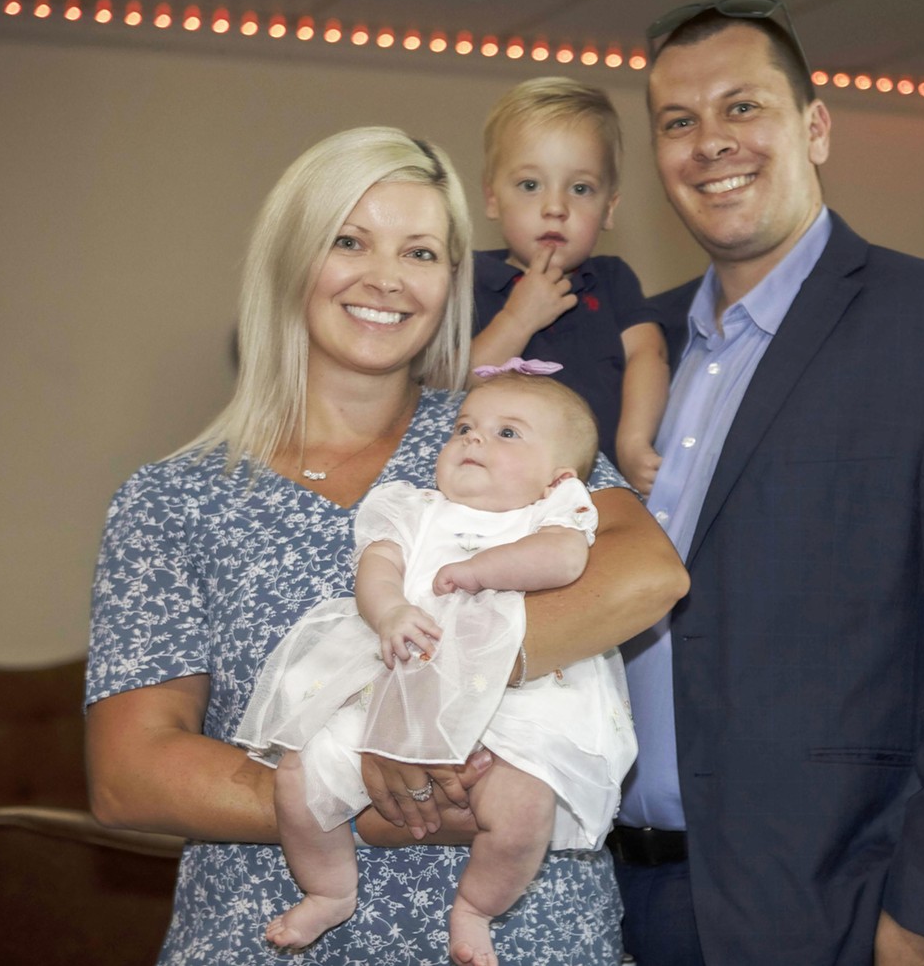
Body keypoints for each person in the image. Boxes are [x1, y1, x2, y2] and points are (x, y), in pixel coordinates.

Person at [84, 125, 687, 965]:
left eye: (421, 252)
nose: (386, 278)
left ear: (452, 280)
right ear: (291, 260)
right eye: (349, 240)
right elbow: (131, 772)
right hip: (267, 940)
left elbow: (646, 572)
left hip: (528, 939)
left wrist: (427, 701)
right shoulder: (174, 498)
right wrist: (361, 792)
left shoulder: (507, 430)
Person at [611, 0, 924, 965]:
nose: (709, 144)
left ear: (813, 127)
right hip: (599, 898)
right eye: (677, 121)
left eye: (742, 108)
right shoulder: (630, 345)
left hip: (826, 906)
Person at [236, 369, 637, 965]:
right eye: (464, 428)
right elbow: (375, 569)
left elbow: (564, 559)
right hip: (392, 683)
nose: (474, 440)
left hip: (518, 706)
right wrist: (391, 608)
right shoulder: (416, 509)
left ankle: (475, 909)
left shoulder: (552, 515)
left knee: (525, 810)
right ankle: (329, 889)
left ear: (559, 477)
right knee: (298, 778)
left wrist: (485, 571)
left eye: (506, 433)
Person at [471, 76, 669, 495]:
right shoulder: (469, 281)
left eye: (580, 189)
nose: (556, 207)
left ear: (609, 208)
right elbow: (450, 386)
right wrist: (516, 319)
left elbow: (648, 356)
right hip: (495, 497)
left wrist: (632, 442)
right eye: (530, 185)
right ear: (492, 197)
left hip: (598, 491)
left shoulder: (612, 280)